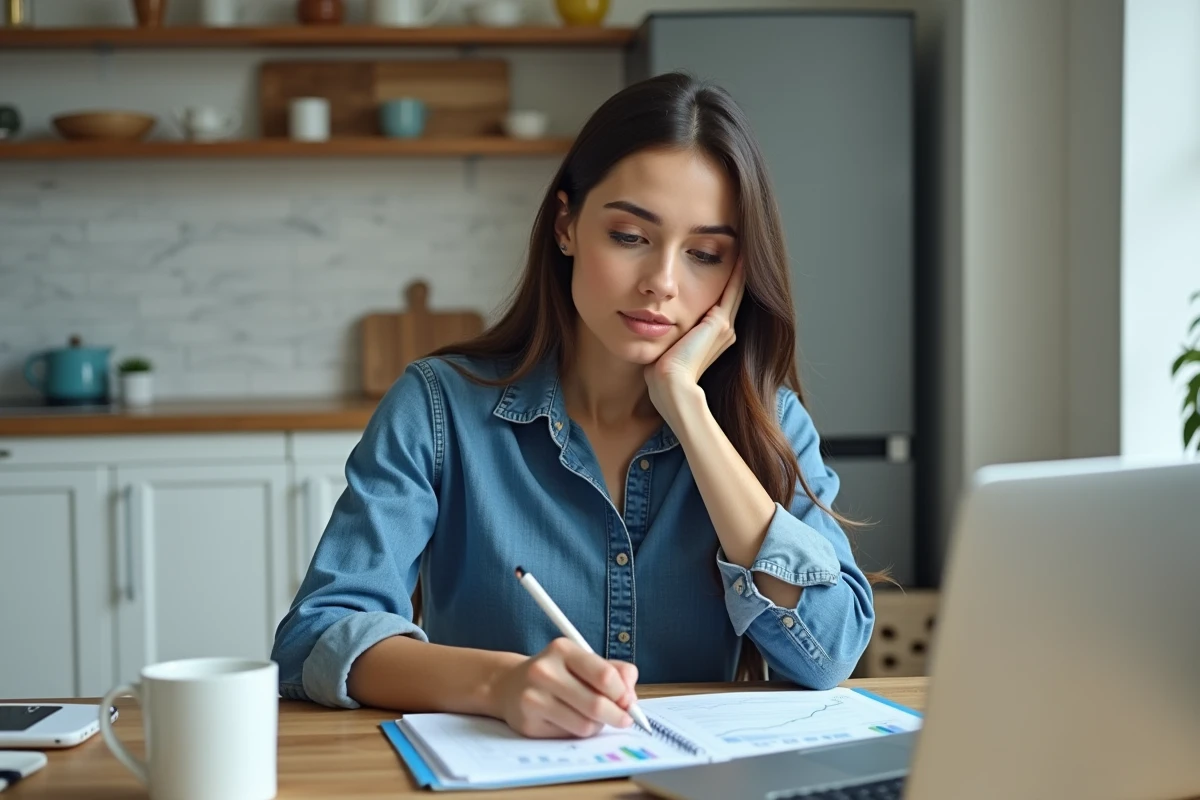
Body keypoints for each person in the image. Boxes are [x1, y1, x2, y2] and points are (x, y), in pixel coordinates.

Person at [272, 72, 880, 740]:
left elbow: (831, 650)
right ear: (566, 224)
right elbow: (317, 636)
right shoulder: (439, 407)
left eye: (705, 253)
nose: (662, 284)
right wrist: (499, 685)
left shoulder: (769, 421)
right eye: (629, 236)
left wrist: (688, 410)